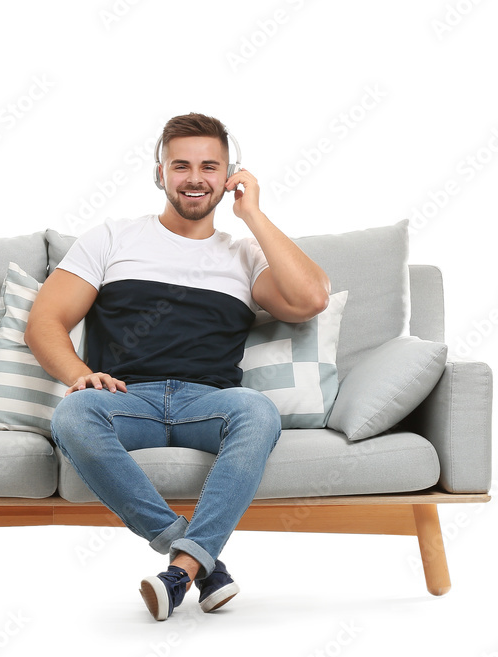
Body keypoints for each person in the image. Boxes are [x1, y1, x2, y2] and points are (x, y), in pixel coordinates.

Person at [24, 112, 331, 621]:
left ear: (230, 174)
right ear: (159, 173)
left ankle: (181, 569)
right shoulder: (112, 238)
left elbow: (311, 298)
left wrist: (251, 213)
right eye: (181, 165)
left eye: (210, 166)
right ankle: (195, 562)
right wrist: (79, 375)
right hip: (127, 398)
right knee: (72, 415)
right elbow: (45, 322)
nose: (195, 177)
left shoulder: (245, 254)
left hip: (209, 403)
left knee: (258, 412)